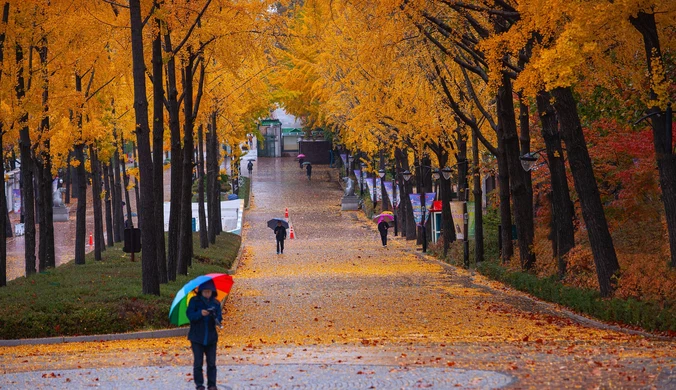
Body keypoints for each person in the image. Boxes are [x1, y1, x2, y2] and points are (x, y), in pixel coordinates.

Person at [186, 281, 222, 390]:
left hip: (211, 338)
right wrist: (200, 313)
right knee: (198, 362)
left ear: (212, 292)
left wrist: (214, 316)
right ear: (201, 292)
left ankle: (212, 384)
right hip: (197, 337)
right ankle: (199, 385)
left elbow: (219, 318)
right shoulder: (194, 301)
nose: (207, 294)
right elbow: (190, 315)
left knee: (211, 363)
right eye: (205, 292)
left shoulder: (216, 303)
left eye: (209, 292)